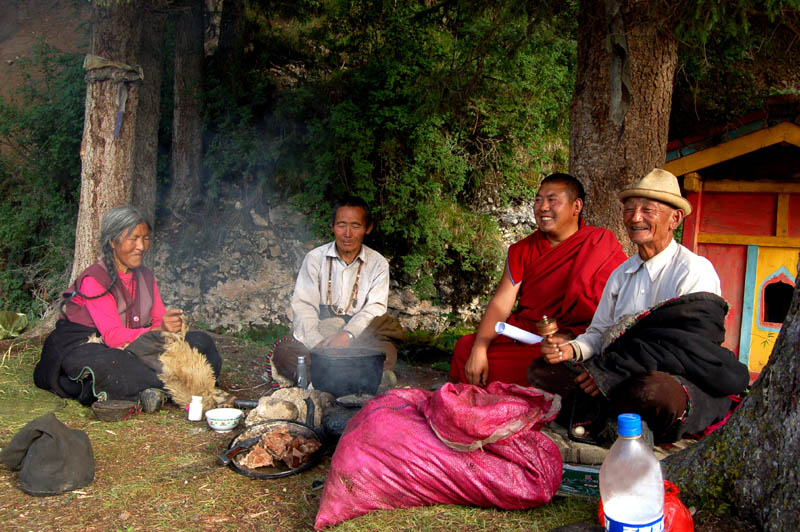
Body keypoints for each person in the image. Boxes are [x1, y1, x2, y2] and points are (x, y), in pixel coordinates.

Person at [533, 168, 750, 444]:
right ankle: (615, 417)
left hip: (670, 376)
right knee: (542, 370)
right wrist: (572, 349)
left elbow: (685, 347)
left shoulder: (694, 270)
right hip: (614, 372)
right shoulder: (621, 274)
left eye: (648, 210)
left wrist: (612, 370)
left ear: (675, 218)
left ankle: (609, 415)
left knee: (652, 392)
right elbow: (600, 333)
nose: (635, 218)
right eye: (630, 210)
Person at [34, 205, 224, 413]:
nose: (141, 246)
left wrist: (171, 328)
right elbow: (113, 338)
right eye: (133, 239)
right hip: (90, 344)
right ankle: (173, 387)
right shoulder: (95, 279)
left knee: (200, 343)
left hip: (135, 343)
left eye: (145, 238)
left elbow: (158, 321)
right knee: (114, 365)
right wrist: (157, 329)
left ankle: (153, 389)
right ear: (113, 241)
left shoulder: (146, 277)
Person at [449, 173, 627, 386]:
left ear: (576, 206)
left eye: (552, 200)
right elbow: (501, 303)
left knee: (562, 364)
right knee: (465, 348)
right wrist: (480, 347)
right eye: (538, 200)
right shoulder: (522, 250)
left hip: (574, 342)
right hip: (527, 338)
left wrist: (570, 337)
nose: (542, 207)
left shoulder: (600, 245)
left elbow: (618, 307)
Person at [271, 196, 405, 385]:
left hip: (361, 336)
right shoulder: (315, 258)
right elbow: (304, 305)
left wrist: (347, 335)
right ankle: (363, 380)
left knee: (383, 354)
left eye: (356, 226)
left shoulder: (378, 263)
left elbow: (374, 308)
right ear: (332, 226)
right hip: (322, 332)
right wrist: (317, 344)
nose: (348, 233)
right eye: (341, 225)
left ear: (368, 228)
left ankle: (325, 378)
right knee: (285, 354)